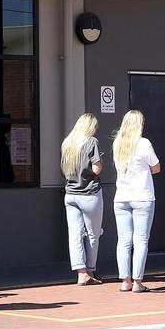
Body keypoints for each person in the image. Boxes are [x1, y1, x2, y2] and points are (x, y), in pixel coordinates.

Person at [112, 110, 160, 293]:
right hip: (142, 196)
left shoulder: (117, 143)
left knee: (123, 240)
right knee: (140, 240)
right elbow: (156, 167)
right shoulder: (144, 143)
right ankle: (138, 282)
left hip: (121, 197)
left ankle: (125, 281)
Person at [60, 113, 104, 286]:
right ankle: (91, 270)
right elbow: (97, 168)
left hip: (70, 194)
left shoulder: (67, 143)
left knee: (75, 234)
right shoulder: (91, 141)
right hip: (89, 193)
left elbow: (63, 170)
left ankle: (80, 273)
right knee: (93, 234)